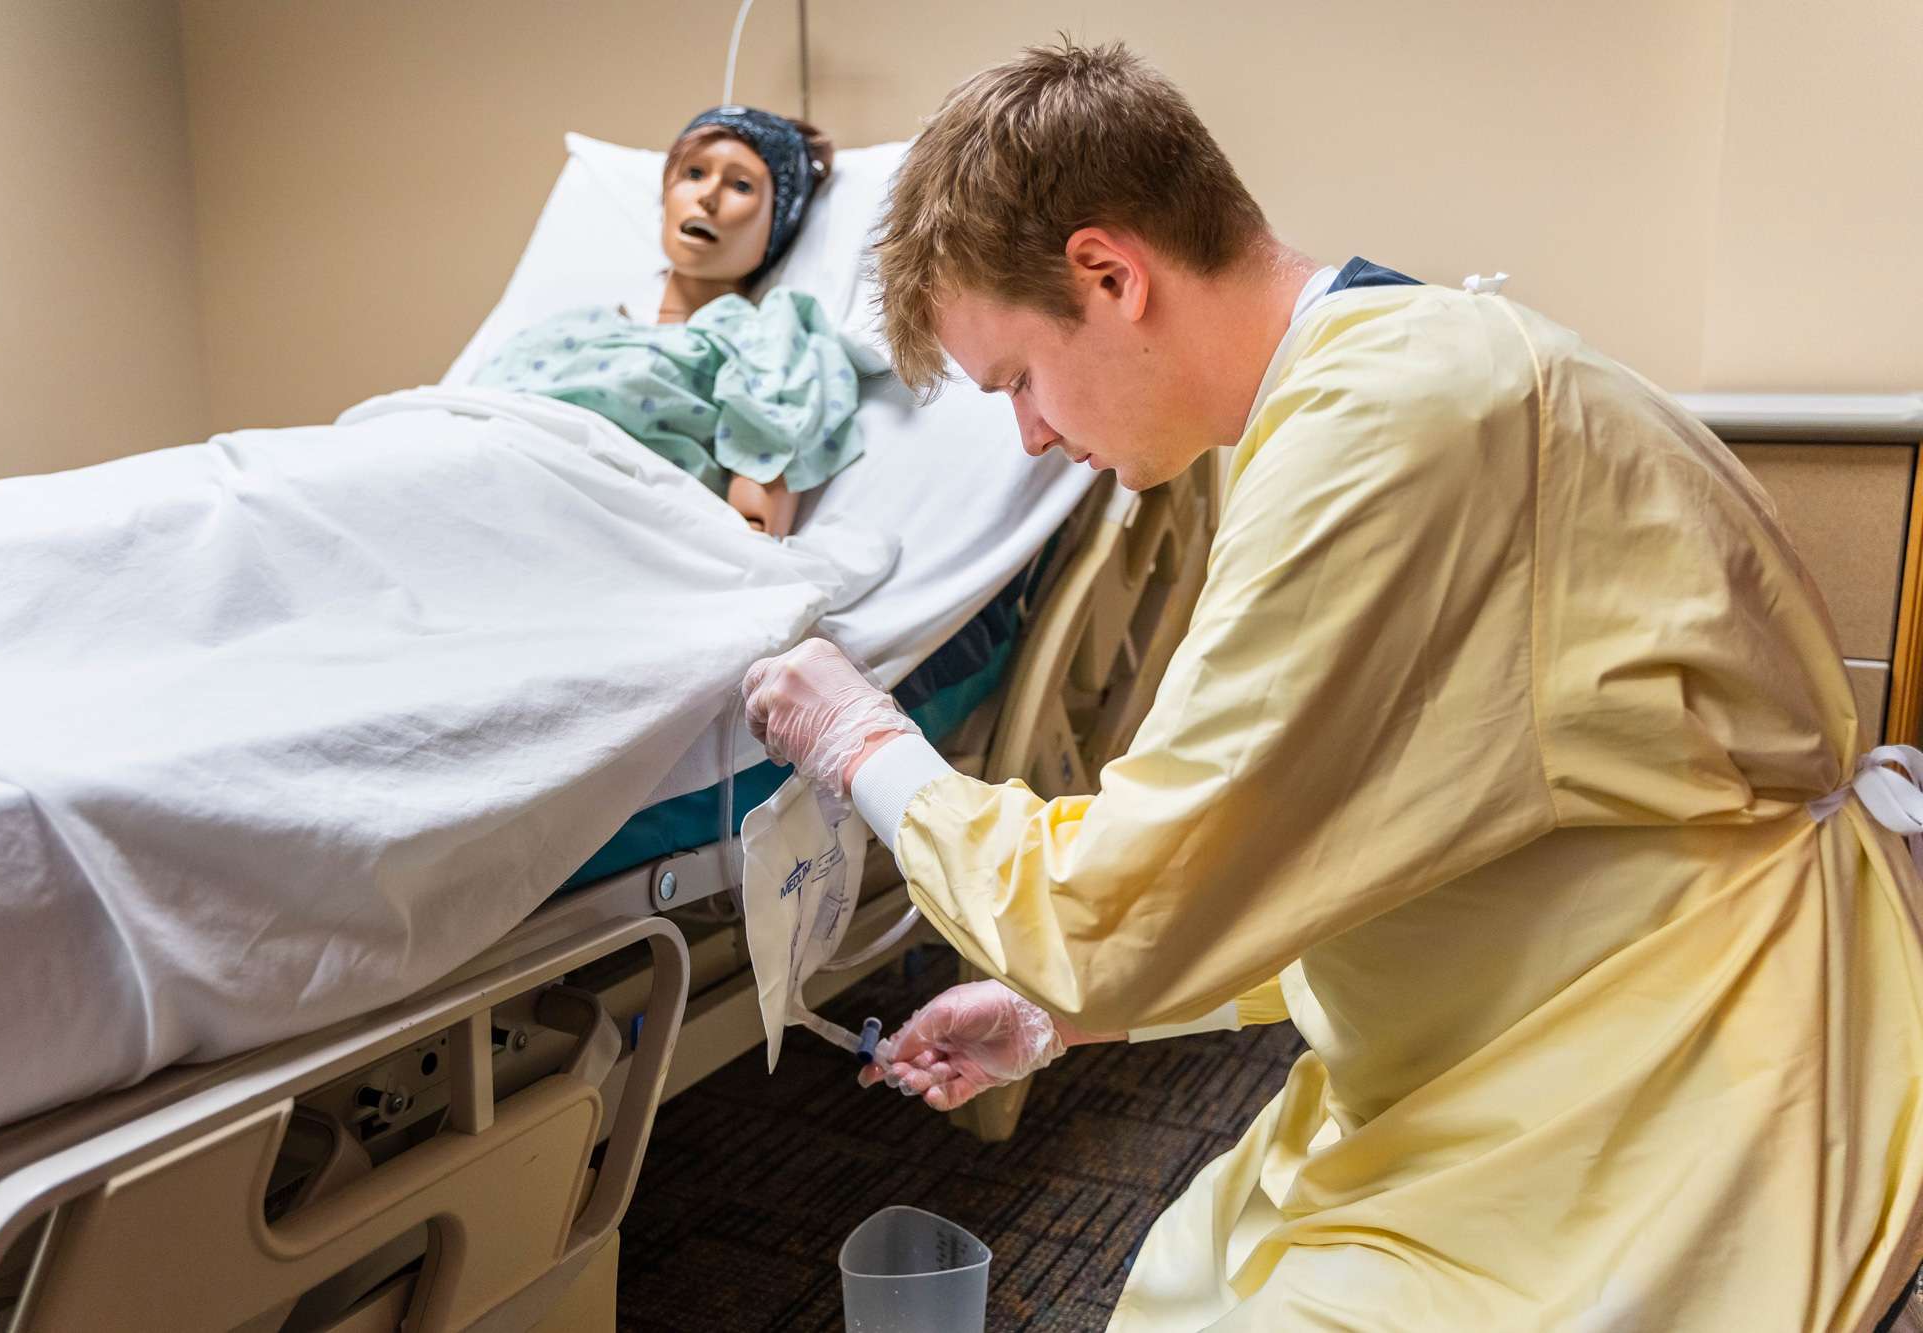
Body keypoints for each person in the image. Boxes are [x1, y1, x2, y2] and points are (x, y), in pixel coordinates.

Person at [741, 39, 1923, 1332]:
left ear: (1110, 273)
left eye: (1019, 377)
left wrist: (861, 740)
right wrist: (1060, 1021)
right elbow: (1371, 841)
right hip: (1547, 998)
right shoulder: (1376, 388)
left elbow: (1101, 911)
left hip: (1689, 1075)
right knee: (1182, 1283)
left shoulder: (1390, 436)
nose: (1031, 434)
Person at [476, 106, 868, 536]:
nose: (708, 196)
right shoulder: (573, 326)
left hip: (569, 512)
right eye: (694, 173)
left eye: (741, 185)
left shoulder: (764, 341)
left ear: (776, 226)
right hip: (474, 460)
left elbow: (751, 530)